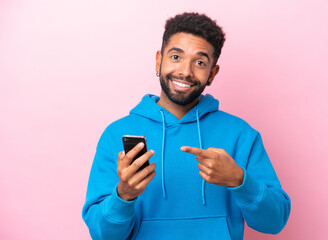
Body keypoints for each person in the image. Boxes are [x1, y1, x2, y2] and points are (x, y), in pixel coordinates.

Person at [82, 12, 291, 240]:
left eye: (199, 62)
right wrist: (124, 195)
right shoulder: (115, 134)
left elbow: (274, 222)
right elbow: (101, 235)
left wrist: (239, 181)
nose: (185, 71)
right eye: (175, 57)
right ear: (158, 60)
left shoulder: (241, 135)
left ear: (212, 73)